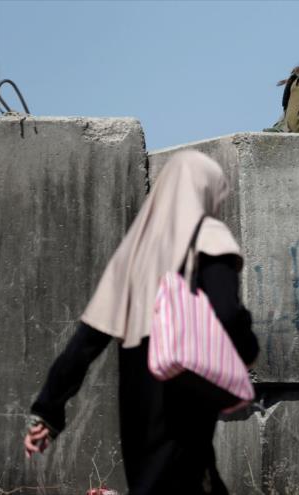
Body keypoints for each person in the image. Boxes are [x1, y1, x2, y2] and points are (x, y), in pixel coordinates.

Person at [23, 150, 259, 495]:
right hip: (183, 390)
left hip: (135, 398)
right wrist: (248, 350)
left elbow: (84, 344)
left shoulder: (133, 254)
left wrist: (47, 411)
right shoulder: (208, 235)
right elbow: (227, 313)